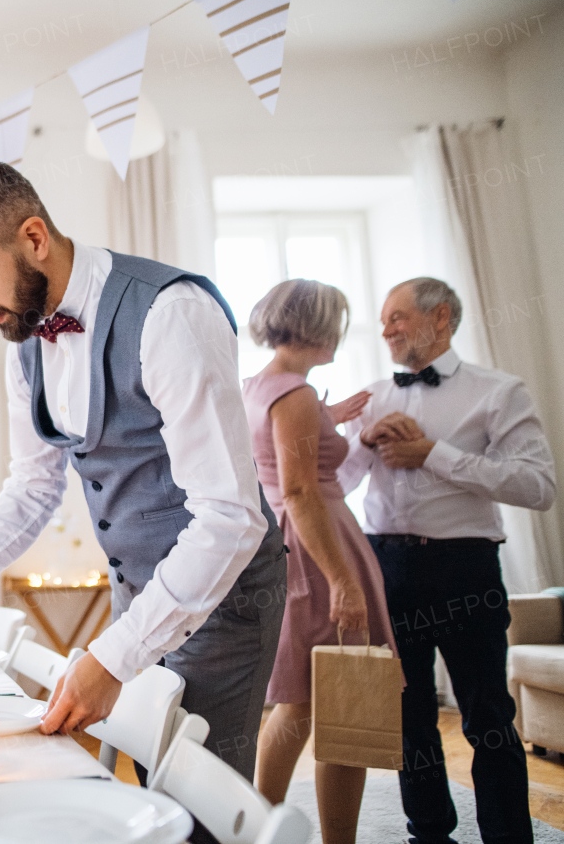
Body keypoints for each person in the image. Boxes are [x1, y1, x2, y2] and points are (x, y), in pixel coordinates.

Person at [0, 157, 288, 780]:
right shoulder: (23, 338)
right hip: (137, 595)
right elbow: (32, 485)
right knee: (142, 790)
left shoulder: (171, 313)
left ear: (33, 238)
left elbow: (231, 517)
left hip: (227, 599)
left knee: (198, 804)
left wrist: (110, 659)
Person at [339, 277, 556, 844]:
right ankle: (428, 834)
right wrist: (362, 446)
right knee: (408, 718)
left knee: (488, 716)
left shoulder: (500, 391)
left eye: (397, 317)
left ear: (441, 318)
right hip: (387, 567)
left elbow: (538, 486)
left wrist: (435, 455)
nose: (385, 330)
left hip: (467, 569)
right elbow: (329, 488)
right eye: (383, 320)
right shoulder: (372, 397)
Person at [242, 280, 397, 844]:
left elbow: (276, 459)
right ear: (318, 326)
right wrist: (343, 582)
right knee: (344, 705)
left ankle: (258, 824)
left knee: (301, 702)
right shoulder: (295, 395)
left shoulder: (259, 387)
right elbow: (302, 491)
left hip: (288, 546)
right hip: (319, 549)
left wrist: (328, 418)